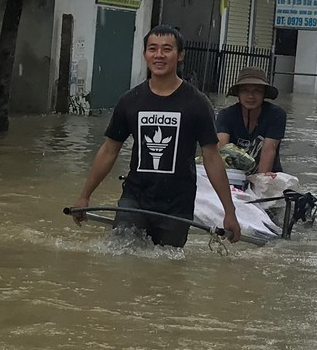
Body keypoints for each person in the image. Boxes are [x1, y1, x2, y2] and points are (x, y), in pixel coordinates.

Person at [73, 26, 242, 246]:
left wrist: (229, 211)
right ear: (144, 54)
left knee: (166, 270)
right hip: (135, 197)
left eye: (167, 49)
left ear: (180, 55)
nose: (159, 55)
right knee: (121, 259)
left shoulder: (197, 104)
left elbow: (211, 157)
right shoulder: (130, 101)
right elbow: (109, 150)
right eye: (152, 49)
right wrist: (84, 195)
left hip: (177, 204)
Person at [215, 66, 287, 175]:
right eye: (245, 91)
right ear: (238, 93)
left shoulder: (276, 114)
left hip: (269, 174)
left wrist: (261, 180)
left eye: (257, 91)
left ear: (264, 94)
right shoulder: (226, 115)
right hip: (233, 174)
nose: (250, 96)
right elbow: (221, 149)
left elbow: (268, 150)